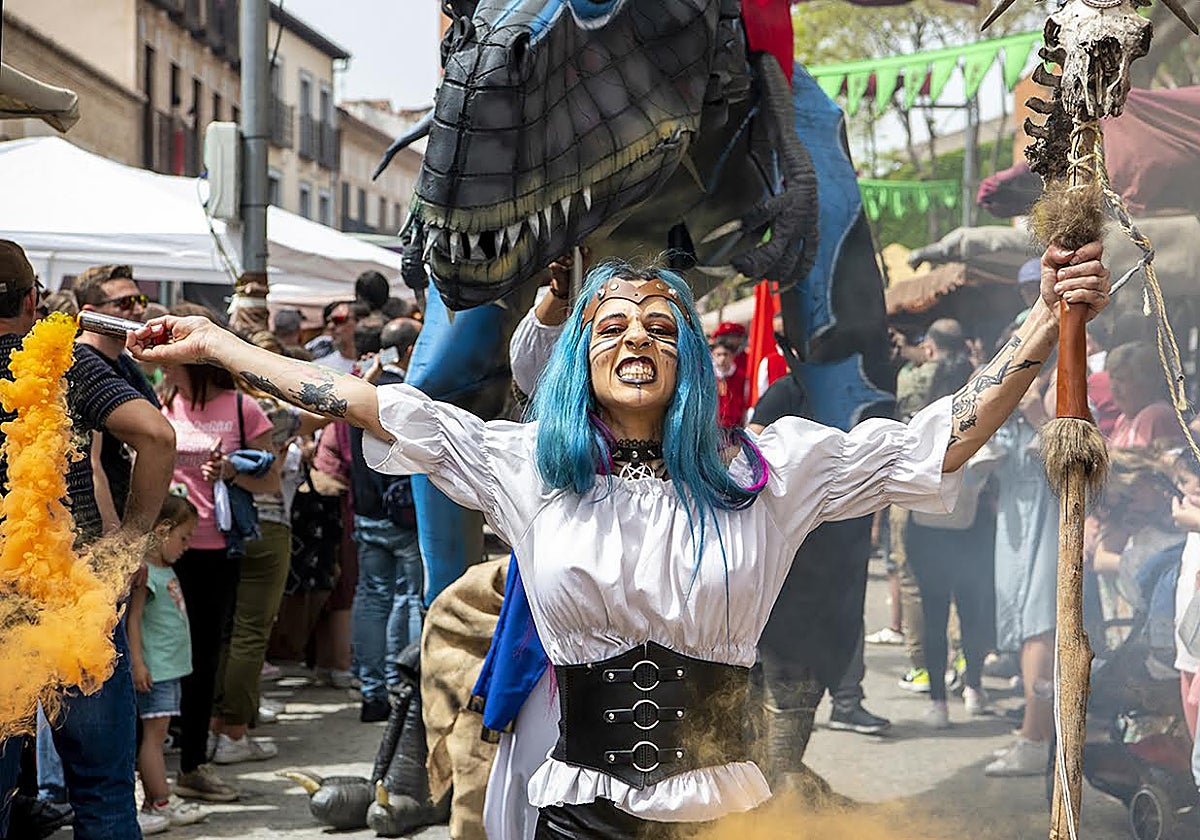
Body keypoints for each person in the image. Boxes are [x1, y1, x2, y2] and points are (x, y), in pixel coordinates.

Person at [127, 241, 1111, 834]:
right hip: (577, 813)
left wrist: (1045, 318)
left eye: (660, 326)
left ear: (689, 357)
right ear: (579, 360)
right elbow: (360, 400)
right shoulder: (525, 468)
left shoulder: (767, 469)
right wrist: (215, 346)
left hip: (726, 814)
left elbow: (940, 442)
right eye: (611, 327)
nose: (636, 337)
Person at [0, 240, 177, 839]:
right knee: (102, 795)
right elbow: (156, 434)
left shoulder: (64, 360)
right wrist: (129, 541)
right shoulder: (62, 362)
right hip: (73, 601)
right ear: (32, 300)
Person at [158, 303, 275, 802]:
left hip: (215, 547)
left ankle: (192, 764)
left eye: (171, 348)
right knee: (163, 653)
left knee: (204, 655)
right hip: (164, 550)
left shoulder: (242, 408)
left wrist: (231, 473)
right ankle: (168, 751)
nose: (161, 357)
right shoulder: (163, 401)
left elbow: (269, 479)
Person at [352, 318, 426, 722]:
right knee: (410, 598)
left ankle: (371, 691)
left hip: (367, 512)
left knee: (372, 599)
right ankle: (408, 687)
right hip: (405, 514)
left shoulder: (360, 390)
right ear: (412, 349)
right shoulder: (408, 394)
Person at [128, 493, 208, 827]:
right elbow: (133, 620)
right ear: (163, 531)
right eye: (183, 537)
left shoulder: (165, 571)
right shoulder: (147, 574)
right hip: (156, 672)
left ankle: (158, 797)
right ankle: (158, 799)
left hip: (168, 670)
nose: (187, 545)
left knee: (157, 738)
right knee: (154, 739)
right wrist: (138, 663)